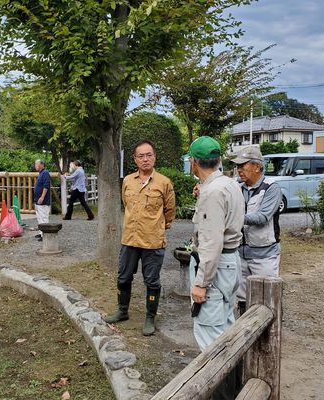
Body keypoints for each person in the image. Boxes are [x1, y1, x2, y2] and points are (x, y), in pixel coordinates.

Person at [188, 136, 244, 400]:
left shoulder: (212, 192)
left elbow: (211, 243)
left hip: (216, 266)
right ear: (219, 160)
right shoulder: (229, 184)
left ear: (194, 162)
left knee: (211, 336)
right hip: (231, 263)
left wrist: (201, 283)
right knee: (226, 327)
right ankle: (234, 388)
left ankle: (223, 395)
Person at [104, 140, 175, 336]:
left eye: (149, 155)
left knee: (152, 281)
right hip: (130, 239)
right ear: (135, 159)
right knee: (123, 277)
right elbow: (126, 203)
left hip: (153, 241)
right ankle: (122, 311)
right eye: (141, 156)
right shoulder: (128, 180)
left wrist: (159, 227)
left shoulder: (164, 182)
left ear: (155, 157)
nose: (145, 159)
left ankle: (150, 317)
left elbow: (169, 211)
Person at [232, 146, 281, 314]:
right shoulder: (237, 187)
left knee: (266, 298)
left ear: (257, 166)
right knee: (242, 298)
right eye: (237, 166)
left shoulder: (271, 188)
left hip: (264, 255)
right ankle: (245, 334)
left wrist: (234, 217)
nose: (239, 170)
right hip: (241, 252)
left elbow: (263, 217)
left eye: (242, 165)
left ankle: (270, 336)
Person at [34, 159, 51, 241]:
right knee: (39, 217)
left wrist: (42, 197)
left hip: (43, 200)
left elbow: (46, 186)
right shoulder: (40, 173)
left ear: (41, 164)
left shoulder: (45, 173)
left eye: (36, 164)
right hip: (37, 200)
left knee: (44, 217)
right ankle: (41, 233)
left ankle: (45, 235)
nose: (35, 165)